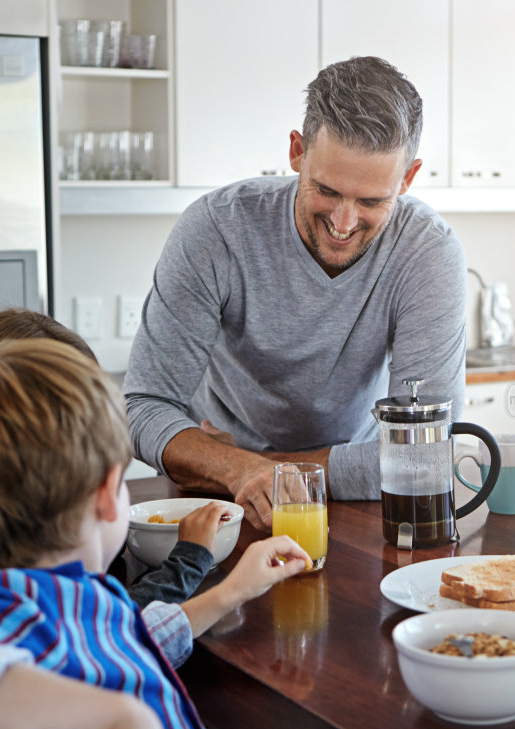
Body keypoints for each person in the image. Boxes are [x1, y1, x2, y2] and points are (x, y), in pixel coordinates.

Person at [0, 338, 311, 729]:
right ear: (109, 491)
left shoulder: (47, 604)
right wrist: (119, 719)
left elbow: (124, 639)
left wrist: (231, 591)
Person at [123, 55, 467, 531]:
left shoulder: (427, 251)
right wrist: (236, 469)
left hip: (354, 506)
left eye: (371, 201)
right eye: (326, 190)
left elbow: (425, 455)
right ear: (297, 152)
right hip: (220, 505)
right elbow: (142, 407)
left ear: (407, 179)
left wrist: (257, 467)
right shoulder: (216, 228)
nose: (343, 224)